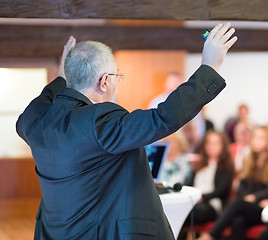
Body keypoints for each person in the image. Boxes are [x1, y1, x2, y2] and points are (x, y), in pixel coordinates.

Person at [16, 24, 237, 240]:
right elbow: (162, 117)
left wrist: (64, 75)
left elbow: (40, 103)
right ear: (104, 81)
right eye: (116, 77)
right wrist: (209, 67)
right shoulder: (98, 121)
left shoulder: (35, 122)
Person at [198, 126, 268, 240]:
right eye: (254, 137)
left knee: (238, 204)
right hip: (248, 206)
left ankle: (211, 235)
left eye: (261, 138)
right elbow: (241, 188)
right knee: (237, 221)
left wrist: (254, 197)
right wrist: (248, 198)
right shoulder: (248, 161)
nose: (256, 141)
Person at [178, 131, 235, 240]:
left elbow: (220, 191)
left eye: (215, 143)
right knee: (178, 212)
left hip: (212, 204)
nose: (211, 147)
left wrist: (201, 197)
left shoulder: (226, 166)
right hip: (194, 202)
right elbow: (189, 184)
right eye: (208, 143)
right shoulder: (199, 164)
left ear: (222, 146)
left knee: (184, 214)